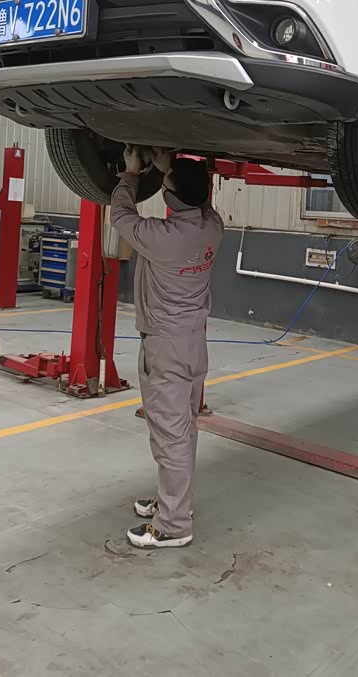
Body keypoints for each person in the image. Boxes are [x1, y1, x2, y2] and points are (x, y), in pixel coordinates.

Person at [110, 146, 224, 548]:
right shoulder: (212, 229)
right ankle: (175, 504)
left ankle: (173, 526)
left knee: (170, 437)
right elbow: (201, 204)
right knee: (183, 430)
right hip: (192, 343)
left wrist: (130, 174)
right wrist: (167, 169)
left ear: (169, 196)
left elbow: (120, 215)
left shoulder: (163, 238)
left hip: (166, 349)